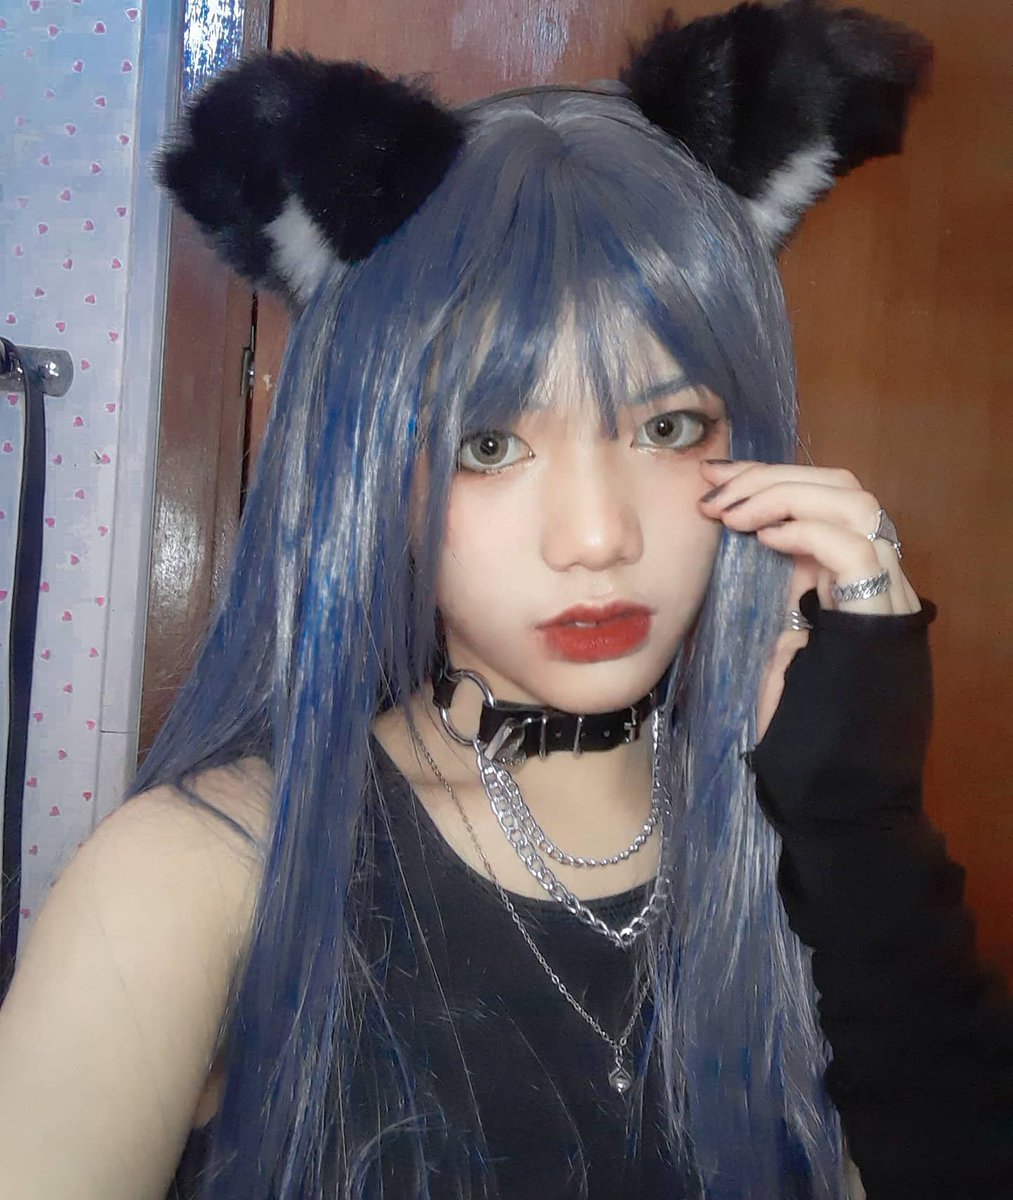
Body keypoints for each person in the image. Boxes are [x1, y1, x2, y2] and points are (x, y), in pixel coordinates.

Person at [1, 4, 1011, 1199]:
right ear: (369, 470)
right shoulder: (198, 876)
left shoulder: (799, 861)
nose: (596, 539)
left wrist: (856, 812)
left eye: (667, 427)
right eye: (486, 444)